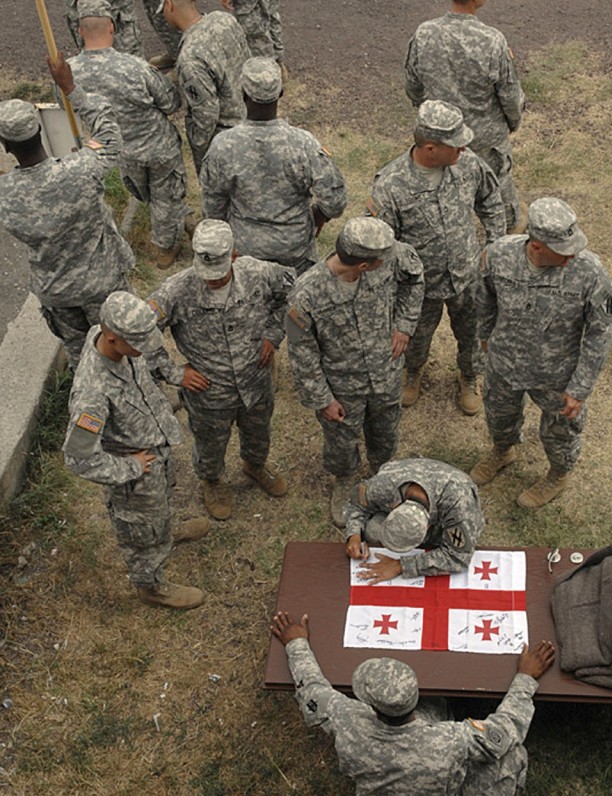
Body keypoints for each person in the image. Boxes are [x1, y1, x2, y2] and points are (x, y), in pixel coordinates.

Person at [271, 609, 556, 796]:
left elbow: (312, 690)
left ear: (370, 705)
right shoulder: (449, 741)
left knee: (439, 709)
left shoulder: (346, 720)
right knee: (514, 756)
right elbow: (505, 732)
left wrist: (296, 643)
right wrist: (525, 678)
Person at [63, 291, 208, 609]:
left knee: (161, 506)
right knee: (141, 533)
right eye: (138, 342)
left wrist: (172, 376)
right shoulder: (92, 392)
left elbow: (146, 357)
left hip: (155, 450)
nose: (146, 348)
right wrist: (130, 468)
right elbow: (78, 459)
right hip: (134, 476)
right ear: (113, 338)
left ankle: (166, 530)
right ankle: (151, 587)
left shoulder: (108, 336)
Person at [470, 198, 612, 508]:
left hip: (557, 373)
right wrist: (485, 335)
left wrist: (580, 388)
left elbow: (599, 333)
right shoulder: (497, 256)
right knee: (499, 415)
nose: (571, 256)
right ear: (536, 246)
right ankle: (503, 450)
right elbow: (484, 297)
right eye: (562, 251)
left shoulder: (590, 273)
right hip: (504, 362)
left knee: (561, 430)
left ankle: (558, 474)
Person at [145, 219, 292, 520]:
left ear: (234, 256)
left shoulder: (258, 273)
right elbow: (138, 335)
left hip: (255, 381)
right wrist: (173, 373)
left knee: (258, 431)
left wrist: (273, 335)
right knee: (210, 444)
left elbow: (291, 292)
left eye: (219, 273)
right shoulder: (176, 291)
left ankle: (254, 465)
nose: (211, 279)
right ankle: (212, 481)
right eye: (206, 272)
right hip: (210, 393)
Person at [367, 99, 505, 412]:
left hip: (467, 273)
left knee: (473, 332)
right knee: (415, 336)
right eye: (455, 145)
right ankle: (412, 371)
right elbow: (381, 246)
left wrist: (493, 246)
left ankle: (470, 376)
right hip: (421, 285)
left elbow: (491, 200)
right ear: (430, 148)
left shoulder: (467, 164)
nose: (464, 149)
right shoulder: (390, 186)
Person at [286, 217, 424, 527]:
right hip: (341, 386)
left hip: (385, 372)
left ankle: (383, 473)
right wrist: (322, 398)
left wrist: (404, 324)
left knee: (386, 431)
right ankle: (345, 479)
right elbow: (301, 351)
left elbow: (415, 276)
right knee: (341, 440)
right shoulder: (305, 295)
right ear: (364, 266)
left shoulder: (390, 257)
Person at [0, 53, 134, 368]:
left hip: (56, 292)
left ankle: (91, 402)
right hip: (102, 283)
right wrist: (71, 88)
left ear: (5, 146)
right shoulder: (82, 168)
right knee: (125, 345)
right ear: (39, 130)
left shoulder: (5, 196)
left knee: (80, 356)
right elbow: (109, 135)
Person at [404, 0, 524, 230]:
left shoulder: (425, 33)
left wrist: (429, 116)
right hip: (486, 140)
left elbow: (412, 85)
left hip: (440, 137)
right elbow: (510, 96)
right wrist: (512, 123)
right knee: (498, 189)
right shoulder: (492, 41)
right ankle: (508, 233)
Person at [68, 0, 189, 270]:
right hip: (159, 147)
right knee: (166, 196)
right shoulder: (136, 67)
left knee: (145, 193)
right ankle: (165, 249)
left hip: (120, 152)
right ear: (111, 28)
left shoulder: (69, 73)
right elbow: (170, 104)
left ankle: (171, 226)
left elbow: (70, 111)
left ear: (80, 31)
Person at [201, 57, 347, 276]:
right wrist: (317, 215)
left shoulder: (223, 146)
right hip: (294, 248)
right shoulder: (303, 144)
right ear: (280, 93)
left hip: (245, 251)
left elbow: (213, 209)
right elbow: (335, 202)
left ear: (243, 94)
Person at [157, 0, 250, 173]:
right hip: (250, 119)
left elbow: (206, 113)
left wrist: (198, 148)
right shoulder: (224, 20)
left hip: (224, 142)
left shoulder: (190, 57)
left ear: (169, 6)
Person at [344, 457, 484, 584]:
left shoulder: (460, 505)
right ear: (395, 506)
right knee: (373, 531)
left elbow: (458, 557)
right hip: (410, 480)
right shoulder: (384, 485)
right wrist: (354, 534)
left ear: (428, 527)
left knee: (447, 547)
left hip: (452, 506)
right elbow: (357, 502)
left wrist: (400, 566)